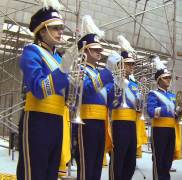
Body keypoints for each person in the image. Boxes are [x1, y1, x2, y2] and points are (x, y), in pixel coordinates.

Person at [16, 1, 72, 179]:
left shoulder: (57, 56)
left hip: (57, 120)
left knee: (50, 173)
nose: (60, 31)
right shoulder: (31, 52)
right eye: (55, 28)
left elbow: (66, 95)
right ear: (42, 30)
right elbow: (39, 89)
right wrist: (63, 71)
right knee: (34, 172)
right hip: (37, 119)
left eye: (61, 27)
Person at [76, 18, 114, 179]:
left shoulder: (98, 73)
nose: (100, 53)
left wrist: (116, 86)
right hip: (86, 121)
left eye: (100, 50)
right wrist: (107, 72)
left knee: (97, 163)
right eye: (95, 49)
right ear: (85, 50)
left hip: (101, 122)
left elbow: (109, 102)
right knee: (87, 163)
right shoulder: (80, 69)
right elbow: (86, 90)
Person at [108, 35, 140, 180]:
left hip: (132, 124)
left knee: (130, 160)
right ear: (121, 65)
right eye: (128, 64)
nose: (131, 67)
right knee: (118, 158)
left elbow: (138, 107)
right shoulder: (113, 80)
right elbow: (111, 102)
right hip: (118, 123)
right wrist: (119, 87)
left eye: (133, 64)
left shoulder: (134, 85)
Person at [147, 56, 181, 180]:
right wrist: (166, 109)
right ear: (159, 80)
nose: (168, 80)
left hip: (171, 129)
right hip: (159, 130)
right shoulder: (153, 94)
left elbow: (175, 114)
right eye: (165, 78)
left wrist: (177, 113)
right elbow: (151, 111)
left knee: (168, 158)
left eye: (169, 78)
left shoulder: (172, 95)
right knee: (159, 158)